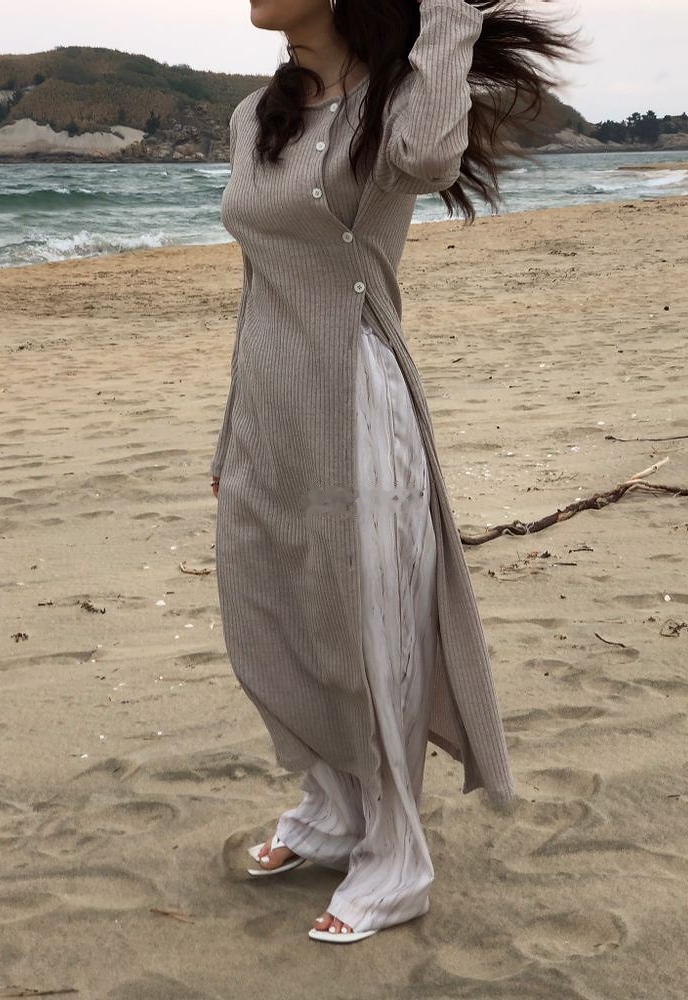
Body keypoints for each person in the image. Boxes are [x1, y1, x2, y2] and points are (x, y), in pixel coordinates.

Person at [210, 0, 583, 944]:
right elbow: (258, 282)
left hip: (356, 398)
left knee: (370, 629)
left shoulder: (399, 105)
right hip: (269, 404)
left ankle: (396, 857)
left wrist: (449, 14)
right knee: (277, 615)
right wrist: (230, 433)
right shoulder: (256, 115)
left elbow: (429, 159)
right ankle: (333, 811)